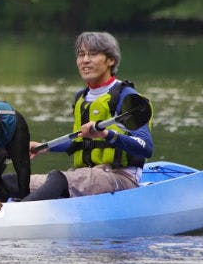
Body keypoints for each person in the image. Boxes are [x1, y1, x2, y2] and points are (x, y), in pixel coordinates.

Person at [22, 31, 153, 201]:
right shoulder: (81, 97)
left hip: (120, 177)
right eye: (81, 54)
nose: (85, 60)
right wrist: (45, 147)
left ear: (110, 60)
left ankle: (17, 216)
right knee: (16, 181)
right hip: (86, 175)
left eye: (93, 54)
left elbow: (146, 147)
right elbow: (79, 140)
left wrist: (108, 134)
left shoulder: (127, 98)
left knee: (57, 179)